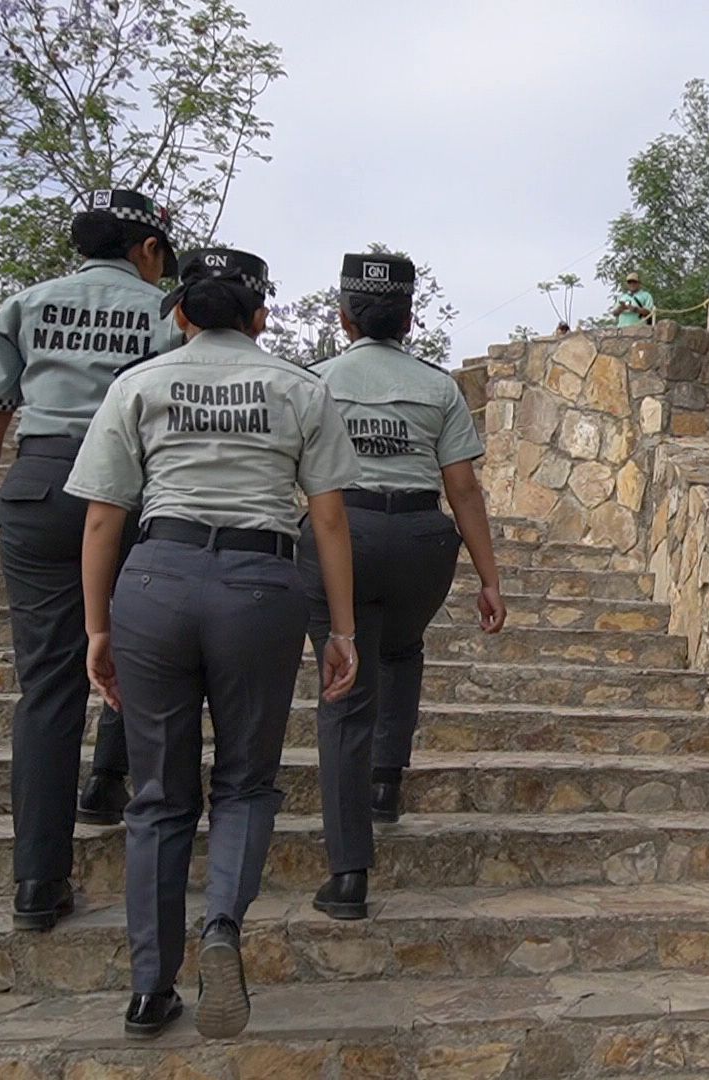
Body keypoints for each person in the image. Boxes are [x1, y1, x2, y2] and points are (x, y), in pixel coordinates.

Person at [68, 248, 361, 1039]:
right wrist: (342, 629)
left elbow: (102, 517)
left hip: (155, 581)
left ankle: (148, 989)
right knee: (243, 782)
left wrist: (97, 629)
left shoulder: (138, 385)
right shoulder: (302, 388)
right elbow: (328, 517)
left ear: (183, 313)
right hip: (261, 588)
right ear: (260, 316)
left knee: (159, 794)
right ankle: (223, 927)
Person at [0, 188, 183, 932]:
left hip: (40, 486)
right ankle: (108, 785)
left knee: (47, 687)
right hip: (134, 492)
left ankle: (36, 884)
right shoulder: (162, 314)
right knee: (142, 653)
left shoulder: (27, 303)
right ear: (148, 249)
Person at [301, 253, 505, 921]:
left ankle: (349, 872)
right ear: (410, 319)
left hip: (342, 534)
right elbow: (464, 487)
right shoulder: (438, 387)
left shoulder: (313, 381)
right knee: (402, 647)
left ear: (343, 317)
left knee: (344, 686)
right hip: (422, 540)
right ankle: (386, 780)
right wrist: (489, 577)